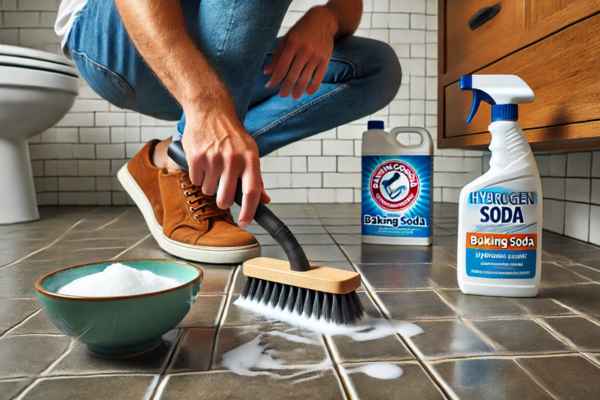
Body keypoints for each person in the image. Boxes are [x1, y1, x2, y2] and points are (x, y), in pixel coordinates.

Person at [55, 0, 401, 263]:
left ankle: (176, 160)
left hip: (217, 49)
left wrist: (326, 20)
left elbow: (349, 7)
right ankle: (195, 154)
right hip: (118, 39)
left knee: (375, 68)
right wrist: (205, 103)